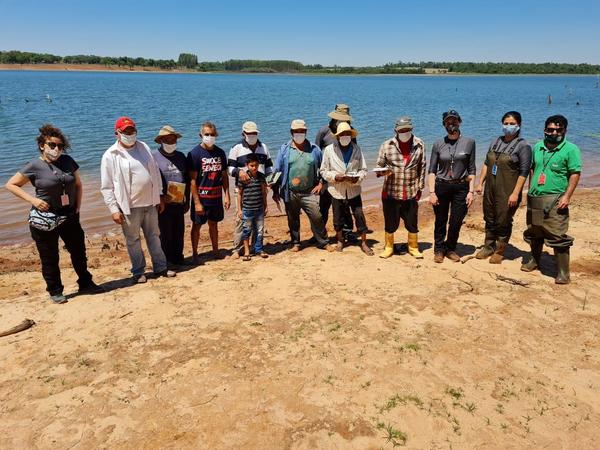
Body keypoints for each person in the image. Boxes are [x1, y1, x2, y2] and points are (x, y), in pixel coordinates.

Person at [5, 124, 102, 303]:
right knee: (49, 256)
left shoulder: (67, 161)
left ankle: (86, 283)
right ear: (42, 145)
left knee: (78, 251)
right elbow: (11, 184)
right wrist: (33, 201)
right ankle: (55, 290)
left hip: (70, 215)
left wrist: (78, 206)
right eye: (52, 145)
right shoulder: (34, 165)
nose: (56, 149)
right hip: (45, 218)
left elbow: (78, 185)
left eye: (59, 146)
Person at [100, 116, 176, 283]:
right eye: (126, 131)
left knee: (154, 236)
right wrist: (114, 209)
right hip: (129, 207)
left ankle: (161, 267)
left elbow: (155, 173)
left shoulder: (144, 147)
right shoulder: (110, 155)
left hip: (150, 203)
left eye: (132, 130)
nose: (130, 134)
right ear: (117, 133)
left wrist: (160, 196)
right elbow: (106, 187)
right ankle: (138, 271)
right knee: (133, 240)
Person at [521, 115, 581, 284]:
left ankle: (563, 272)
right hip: (536, 197)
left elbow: (575, 174)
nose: (554, 132)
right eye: (550, 129)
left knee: (557, 235)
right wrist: (531, 188)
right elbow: (533, 169)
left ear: (565, 130)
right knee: (535, 230)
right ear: (544, 130)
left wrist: (567, 196)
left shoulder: (571, 149)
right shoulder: (538, 147)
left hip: (556, 199)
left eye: (558, 129)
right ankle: (534, 260)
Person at [475, 112, 532, 264]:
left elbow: (524, 172)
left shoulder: (523, 146)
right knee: (489, 217)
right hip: (491, 188)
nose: (508, 126)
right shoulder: (495, 141)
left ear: (518, 125)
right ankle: (488, 246)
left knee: (504, 220)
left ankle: (500, 250)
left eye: (511, 123)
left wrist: (515, 193)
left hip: (508, 191)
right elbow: (487, 163)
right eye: (505, 123)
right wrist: (480, 182)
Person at [273, 119, 332, 252]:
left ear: (306, 132)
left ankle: (323, 242)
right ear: (291, 133)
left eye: (302, 131)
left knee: (317, 217)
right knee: (293, 219)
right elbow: (277, 170)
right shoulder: (284, 149)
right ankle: (296, 243)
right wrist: (275, 191)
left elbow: (323, 167)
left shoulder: (314, 149)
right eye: (296, 131)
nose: (299, 133)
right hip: (290, 191)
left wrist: (322, 183)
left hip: (309, 191)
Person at [428, 110, 476, 263]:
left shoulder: (469, 142)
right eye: (448, 122)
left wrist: (471, 191)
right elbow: (432, 170)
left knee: (456, 220)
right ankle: (439, 249)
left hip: (461, 187)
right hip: (441, 186)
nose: (451, 124)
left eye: (454, 121)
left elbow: (472, 169)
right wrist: (431, 192)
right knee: (440, 220)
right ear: (444, 125)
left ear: (459, 122)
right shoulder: (437, 144)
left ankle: (450, 248)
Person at [375, 116, 427, 259]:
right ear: (395, 131)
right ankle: (388, 247)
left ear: (412, 129)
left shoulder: (420, 144)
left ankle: (413, 247)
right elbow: (379, 166)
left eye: (407, 129)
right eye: (401, 130)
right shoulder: (386, 145)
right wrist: (382, 172)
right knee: (390, 223)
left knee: (412, 222)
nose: (404, 132)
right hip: (391, 192)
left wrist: (420, 187)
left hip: (411, 191)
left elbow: (422, 167)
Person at [320, 122, 372, 255]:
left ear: (351, 135)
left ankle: (364, 243)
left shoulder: (357, 149)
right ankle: (340, 240)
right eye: (342, 134)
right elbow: (324, 170)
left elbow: (364, 169)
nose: (345, 136)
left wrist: (357, 178)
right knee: (338, 218)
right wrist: (335, 177)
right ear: (337, 136)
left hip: (354, 190)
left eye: (347, 134)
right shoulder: (329, 150)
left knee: (359, 215)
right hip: (336, 190)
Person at [227, 121, 274, 258]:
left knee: (258, 223)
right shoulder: (236, 148)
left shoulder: (263, 147)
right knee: (240, 221)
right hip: (242, 189)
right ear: (244, 134)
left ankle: (256, 247)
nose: (252, 135)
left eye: (254, 133)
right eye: (249, 133)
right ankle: (237, 249)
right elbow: (229, 168)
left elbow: (269, 167)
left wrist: (270, 182)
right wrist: (239, 172)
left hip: (260, 187)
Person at [187, 121, 231, 263]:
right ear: (201, 135)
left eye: (212, 134)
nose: (209, 137)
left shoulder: (220, 153)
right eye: (207, 134)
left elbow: (224, 176)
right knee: (197, 226)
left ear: (216, 135)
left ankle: (216, 250)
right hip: (202, 198)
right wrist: (197, 202)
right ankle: (194, 253)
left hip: (216, 197)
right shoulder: (194, 154)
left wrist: (227, 195)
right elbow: (192, 181)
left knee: (214, 224)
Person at [315, 104, 355, 236]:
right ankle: (320, 234)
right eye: (340, 118)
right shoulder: (323, 131)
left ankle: (347, 232)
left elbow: (354, 154)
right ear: (334, 118)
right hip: (327, 177)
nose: (342, 121)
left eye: (344, 119)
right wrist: (319, 180)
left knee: (345, 206)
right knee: (323, 207)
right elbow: (316, 155)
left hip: (344, 177)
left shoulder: (351, 132)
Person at [152, 125, 189, 266]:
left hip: (179, 201)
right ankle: (166, 260)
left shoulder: (181, 156)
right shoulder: (153, 157)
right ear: (161, 140)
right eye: (168, 140)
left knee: (179, 230)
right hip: (163, 203)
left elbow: (185, 178)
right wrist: (159, 198)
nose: (171, 143)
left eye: (173, 140)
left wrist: (188, 201)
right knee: (165, 232)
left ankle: (178, 257)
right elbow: (151, 181)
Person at [236, 154, 268, 260]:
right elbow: (239, 194)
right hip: (247, 209)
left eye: (256, 165)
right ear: (247, 165)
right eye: (251, 166)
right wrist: (239, 209)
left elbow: (264, 192)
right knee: (246, 230)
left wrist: (266, 205)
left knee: (260, 230)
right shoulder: (243, 178)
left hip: (259, 209)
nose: (254, 168)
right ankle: (247, 251)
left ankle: (259, 249)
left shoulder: (261, 177)